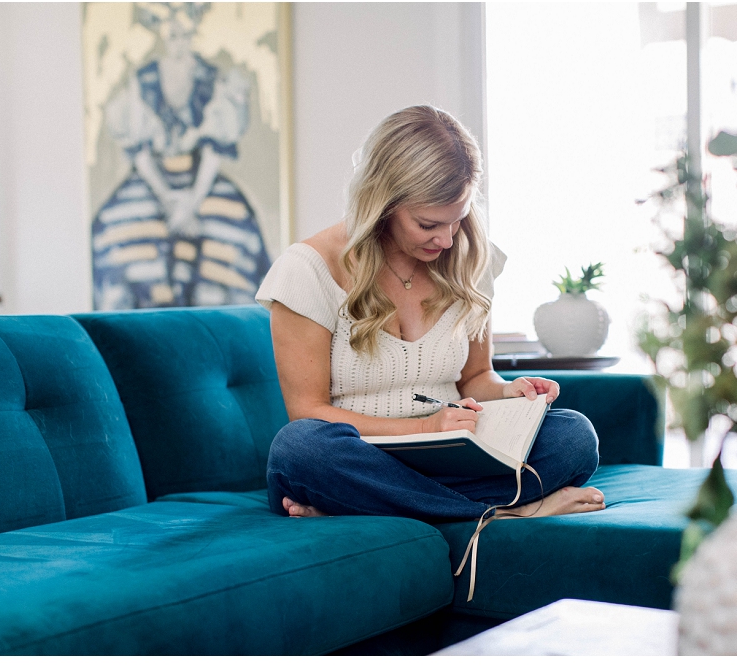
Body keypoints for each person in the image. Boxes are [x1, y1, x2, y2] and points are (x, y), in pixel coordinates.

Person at [256, 105, 604, 536]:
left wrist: (509, 393)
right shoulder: (307, 270)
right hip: (361, 458)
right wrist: (422, 427)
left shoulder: (470, 256)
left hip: (452, 458)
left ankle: (377, 507)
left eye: (457, 220)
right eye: (428, 224)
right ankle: (507, 512)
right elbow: (307, 411)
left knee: (574, 436)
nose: (447, 239)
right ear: (383, 203)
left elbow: (475, 377)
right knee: (297, 450)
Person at [93, 6, 270, 310]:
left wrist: (192, 202)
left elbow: (214, 146)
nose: (177, 37)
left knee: (240, 238)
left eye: (184, 30)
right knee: (108, 231)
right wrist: (166, 198)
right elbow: (139, 149)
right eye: (171, 30)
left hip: (202, 179)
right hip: (152, 180)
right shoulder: (144, 78)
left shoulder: (210, 77)